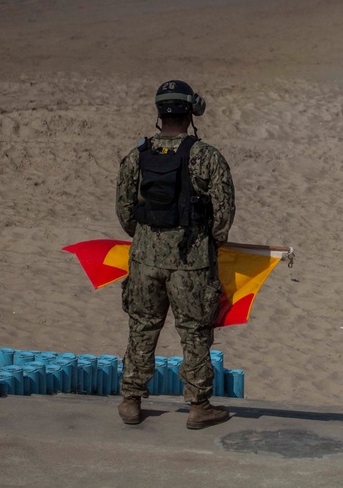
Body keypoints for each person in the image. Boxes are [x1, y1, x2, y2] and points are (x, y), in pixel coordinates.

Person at [114, 80, 236, 429]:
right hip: (191, 262)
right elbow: (224, 214)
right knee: (195, 331)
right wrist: (208, 242)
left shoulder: (137, 156)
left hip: (145, 260)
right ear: (190, 113)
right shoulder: (207, 157)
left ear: (159, 114)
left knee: (142, 326)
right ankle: (199, 406)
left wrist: (147, 240)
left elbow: (124, 211)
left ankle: (131, 400)